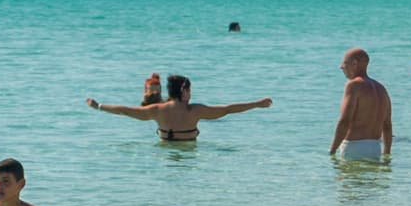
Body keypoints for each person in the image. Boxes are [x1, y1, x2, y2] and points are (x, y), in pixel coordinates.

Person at [86, 74, 272, 142]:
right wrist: (257, 104)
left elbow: (125, 110)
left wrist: (99, 106)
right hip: (189, 156)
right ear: (184, 92)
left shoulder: (157, 110)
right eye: (190, 91)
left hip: (165, 153)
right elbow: (228, 109)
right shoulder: (195, 111)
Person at [330, 48, 392, 161]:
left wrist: (332, 150)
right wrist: (386, 153)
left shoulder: (353, 85)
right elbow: (387, 125)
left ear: (354, 63)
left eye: (344, 63)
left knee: (348, 178)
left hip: (354, 148)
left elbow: (345, 121)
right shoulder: (381, 88)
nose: (341, 67)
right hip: (375, 148)